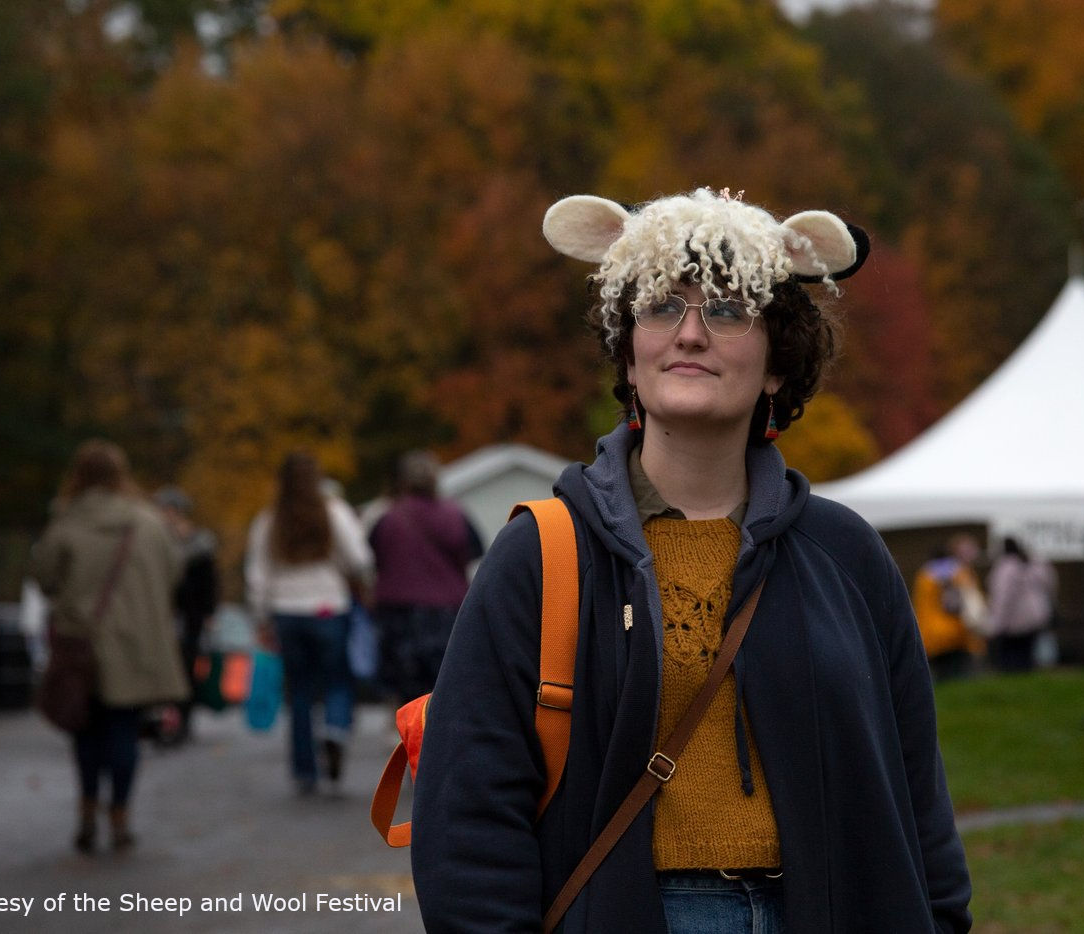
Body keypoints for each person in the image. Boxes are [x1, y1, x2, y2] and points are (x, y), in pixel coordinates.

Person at [411, 189, 971, 932]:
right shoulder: (543, 554)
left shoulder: (846, 556)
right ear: (630, 356)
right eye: (661, 308)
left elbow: (915, 792)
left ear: (777, 364)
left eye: (730, 310)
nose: (692, 334)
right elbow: (468, 814)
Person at [28, 440, 188, 851]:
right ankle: (119, 815)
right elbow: (172, 573)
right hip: (135, 646)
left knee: (85, 732)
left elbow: (43, 577)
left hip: (82, 643)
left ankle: (86, 810)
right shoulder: (148, 523)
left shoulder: (65, 523)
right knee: (123, 731)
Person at [245, 451, 372, 794]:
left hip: (286, 612)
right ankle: (335, 729)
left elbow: (258, 574)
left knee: (299, 691)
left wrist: (261, 616)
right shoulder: (333, 512)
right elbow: (360, 559)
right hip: (328, 607)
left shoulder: (270, 520)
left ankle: (305, 769)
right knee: (336, 681)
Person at [368, 451, 482, 703]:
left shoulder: (388, 518)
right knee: (444, 686)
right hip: (447, 611)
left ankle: (409, 739)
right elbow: (476, 550)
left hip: (398, 612)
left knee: (406, 691)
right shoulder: (456, 516)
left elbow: (373, 557)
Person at [153, 486, 219, 744]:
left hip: (189, 614)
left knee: (186, 667)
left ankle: (182, 720)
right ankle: (163, 720)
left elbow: (209, 582)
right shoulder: (154, 539)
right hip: (161, 613)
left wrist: (209, 612)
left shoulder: (199, 543)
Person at [912, 534, 988, 681]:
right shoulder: (960, 572)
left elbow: (920, 605)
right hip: (960, 632)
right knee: (962, 675)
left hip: (933, 634)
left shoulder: (924, 577)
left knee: (942, 678)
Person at [984, 536, 1056, 673]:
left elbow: (1002, 597)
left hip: (1013, 620)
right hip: (1035, 615)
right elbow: (1050, 585)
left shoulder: (1005, 569)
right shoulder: (1033, 564)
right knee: (1027, 654)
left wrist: (996, 624)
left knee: (1013, 657)